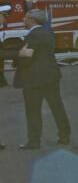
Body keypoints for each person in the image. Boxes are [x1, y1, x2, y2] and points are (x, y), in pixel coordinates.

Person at [12, 9, 73, 149]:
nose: (23, 19)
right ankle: (64, 135)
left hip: (34, 79)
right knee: (57, 106)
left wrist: (16, 60)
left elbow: (27, 56)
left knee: (33, 111)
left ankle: (34, 141)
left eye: (25, 17)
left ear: (32, 20)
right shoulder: (46, 33)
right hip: (51, 75)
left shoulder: (33, 36)